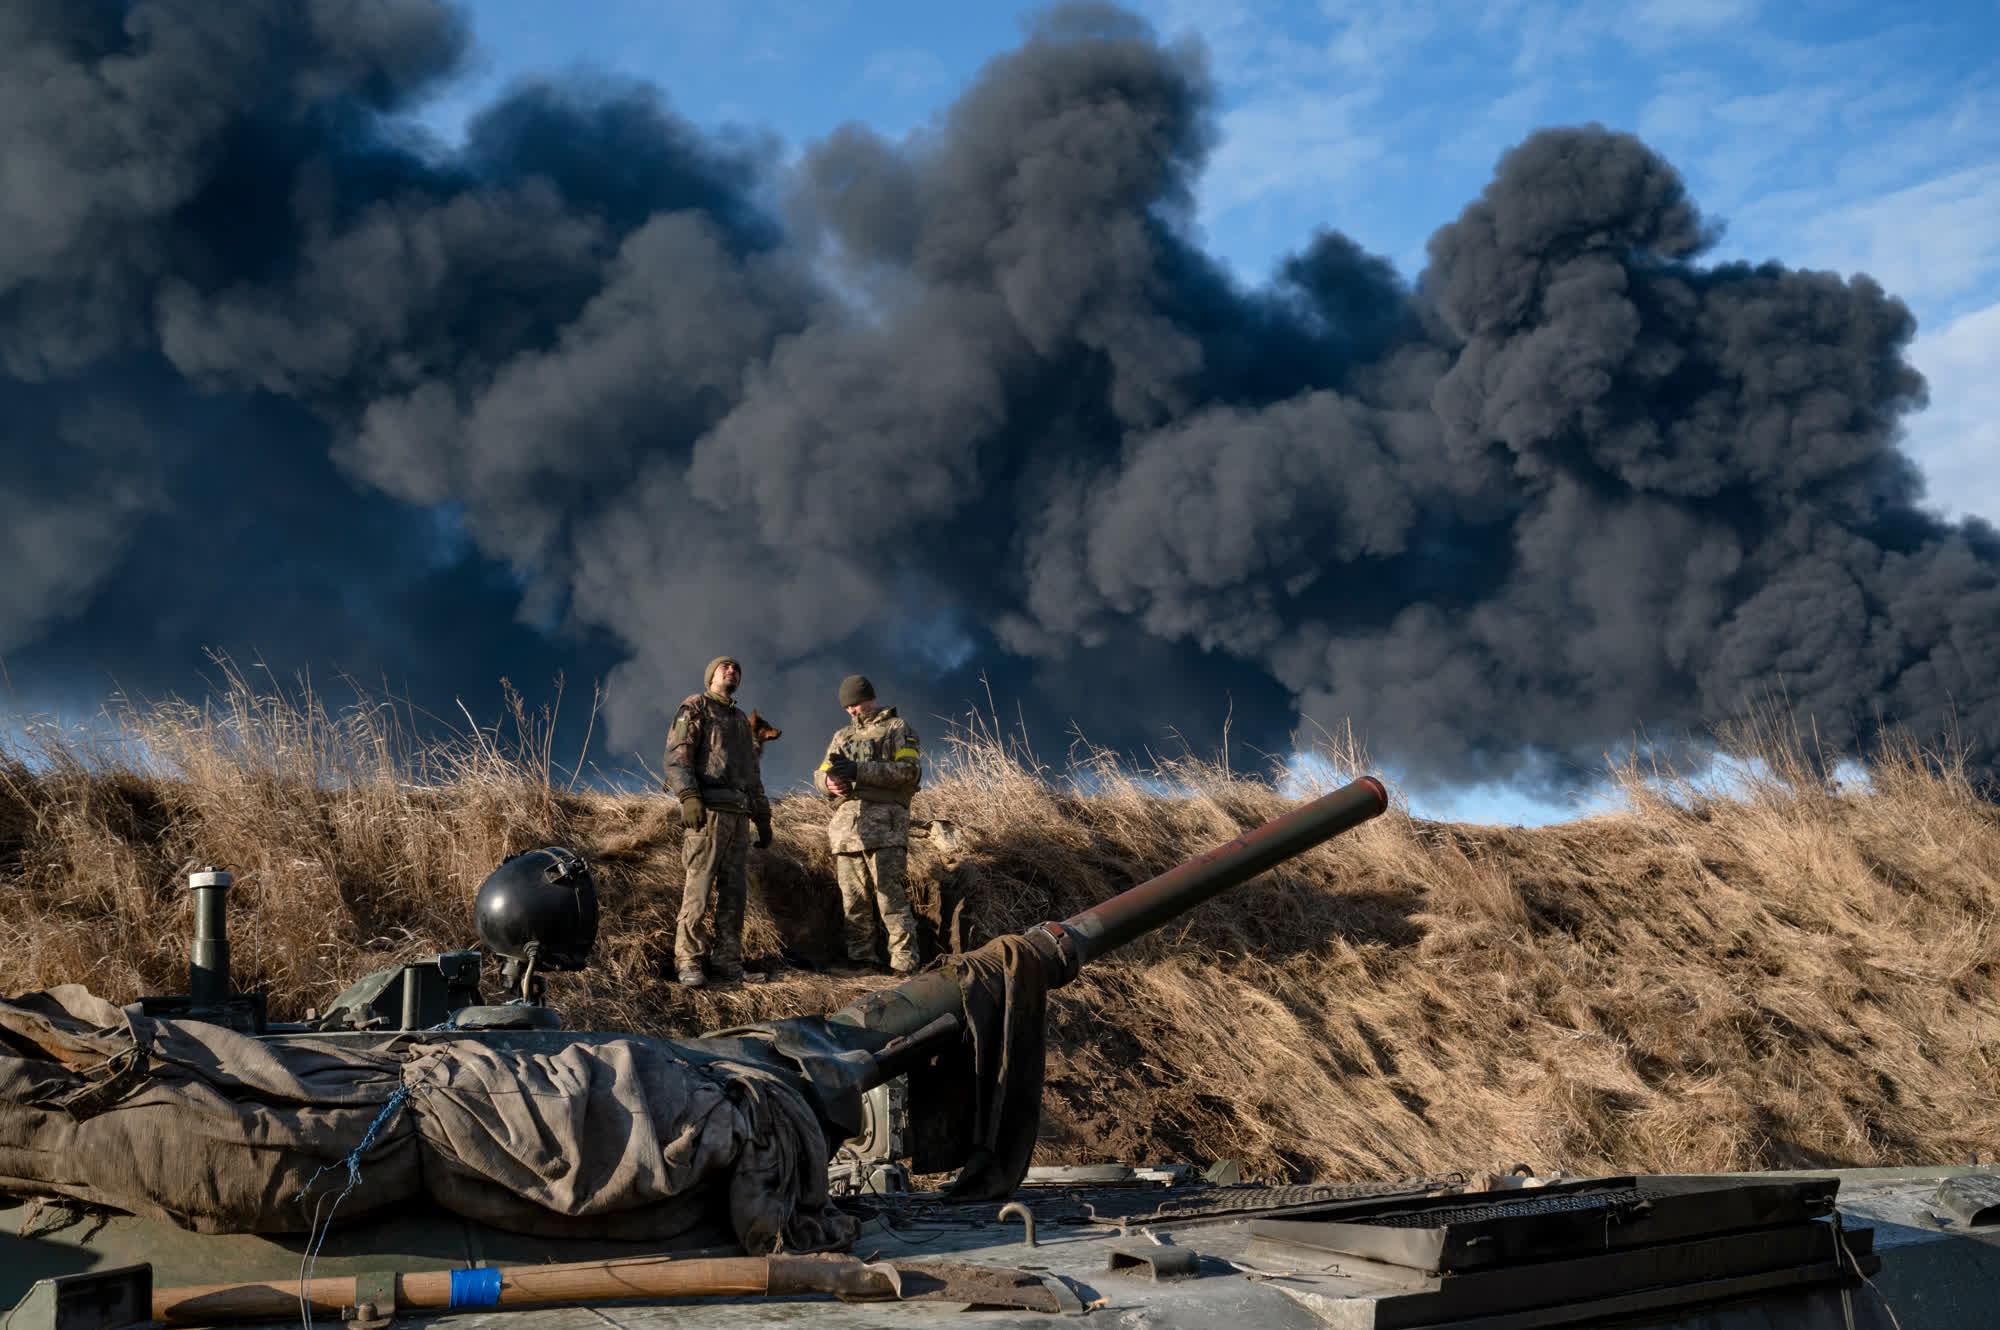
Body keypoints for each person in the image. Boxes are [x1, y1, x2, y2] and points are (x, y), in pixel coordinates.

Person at [662, 655, 771, 988]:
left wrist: (763, 817)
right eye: (726, 667)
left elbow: (753, 774)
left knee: (734, 895)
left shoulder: (740, 719)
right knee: (698, 888)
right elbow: (676, 755)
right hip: (707, 814)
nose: (732, 671)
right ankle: (688, 962)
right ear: (711, 676)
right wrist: (689, 797)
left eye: (737, 668)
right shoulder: (695, 707)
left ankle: (727, 963)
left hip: (739, 817)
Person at [813, 674, 922, 975]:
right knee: (853, 900)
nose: (852, 711)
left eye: (855, 704)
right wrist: (830, 784)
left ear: (869, 699)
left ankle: (904, 964)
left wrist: (859, 770)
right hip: (847, 830)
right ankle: (862, 961)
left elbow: (909, 771)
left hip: (885, 827)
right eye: (847, 707)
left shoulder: (897, 728)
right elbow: (820, 774)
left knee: (890, 898)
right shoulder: (841, 737)